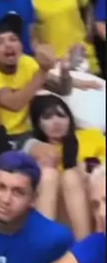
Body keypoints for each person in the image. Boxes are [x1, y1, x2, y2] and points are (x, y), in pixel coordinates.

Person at [0, 20, 70, 148]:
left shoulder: (27, 62)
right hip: (4, 137)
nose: (8, 45)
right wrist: (43, 70)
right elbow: (14, 104)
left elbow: (63, 90)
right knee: (47, 153)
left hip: (34, 130)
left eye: (13, 39)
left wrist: (65, 71)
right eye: (0, 42)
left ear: (21, 47)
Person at [23, 94, 103, 238]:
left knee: (71, 176)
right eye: (47, 117)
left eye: (61, 115)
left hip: (94, 204)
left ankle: (83, 243)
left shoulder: (91, 136)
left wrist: (89, 168)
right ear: (37, 123)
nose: (56, 122)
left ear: (70, 118)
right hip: (58, 213)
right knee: (51, 175)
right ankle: (43, 243)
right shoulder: (38, 150)